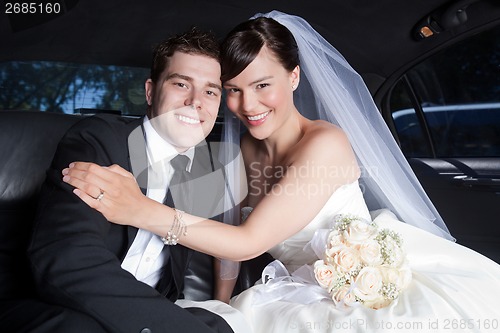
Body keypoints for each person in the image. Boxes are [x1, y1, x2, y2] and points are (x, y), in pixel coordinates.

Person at [62, 11, 500, 333]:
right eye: (232, 90)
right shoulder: (240, 146)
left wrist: (141, 210)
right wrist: (221, 301)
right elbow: (229, 236)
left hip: (361, 295)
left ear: (293, 77)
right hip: (293, 291)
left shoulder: (324, 144)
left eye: (262, 85)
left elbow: (250, 240)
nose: (247, 106)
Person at [27, 27, 249, 333]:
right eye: (181, 84)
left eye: (210, 91)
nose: (196, 101)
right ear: (149, 91)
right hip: (64, 309)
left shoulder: (205, 173)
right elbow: (66, 258)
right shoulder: (100, 141)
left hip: (151, 312)